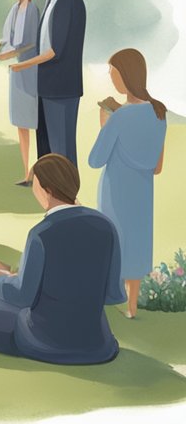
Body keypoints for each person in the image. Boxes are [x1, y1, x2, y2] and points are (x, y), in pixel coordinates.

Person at [0, 154, 126, 365]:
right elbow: (114, 294)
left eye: (34, 186)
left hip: (45, 342)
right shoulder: (106, 226)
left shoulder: (42, 233)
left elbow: (22, 296)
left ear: (47, 191)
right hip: (97, 344)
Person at [88, 48, 169, 319]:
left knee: (114, 241)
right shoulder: (159, 113)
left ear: (126, 75)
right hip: (143, 191)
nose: (111, 78)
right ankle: (132, 307)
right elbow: (157, 167)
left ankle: (109, 300)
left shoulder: (119, 116)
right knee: (136, 242)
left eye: (113, 73)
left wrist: (104, 125)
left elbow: (95, 159)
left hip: (116, 191)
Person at [10, 0, 85, 166]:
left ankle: (68, 197)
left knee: (62, 151)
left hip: (62, 88)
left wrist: (23, 65)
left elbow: (55, 49)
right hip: (46, 85)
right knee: (46, 150)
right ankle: (48, 195)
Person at [0, 0, 41, 185]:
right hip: (16, 70)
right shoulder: (14, 10)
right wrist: (0, 44)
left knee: (34, 121)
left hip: (29, 68)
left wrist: (10, 54)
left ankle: (39, 171)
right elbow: (10, 38)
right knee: (21, 123)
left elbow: (30, 42)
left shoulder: (32, 11)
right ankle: (26, 171)